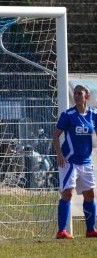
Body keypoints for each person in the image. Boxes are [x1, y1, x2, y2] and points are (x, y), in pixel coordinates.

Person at [53, 84, 97, 239]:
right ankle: (61, 231)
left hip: (86, 162)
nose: (76, 95)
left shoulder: (93, 114)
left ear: (87, 96)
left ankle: (90, 230)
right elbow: (55, 136)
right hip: (69, 161)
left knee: (90, 195)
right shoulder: (68, 115)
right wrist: (59, 154)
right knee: (67, 193)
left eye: (80, 93)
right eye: (75, 93)